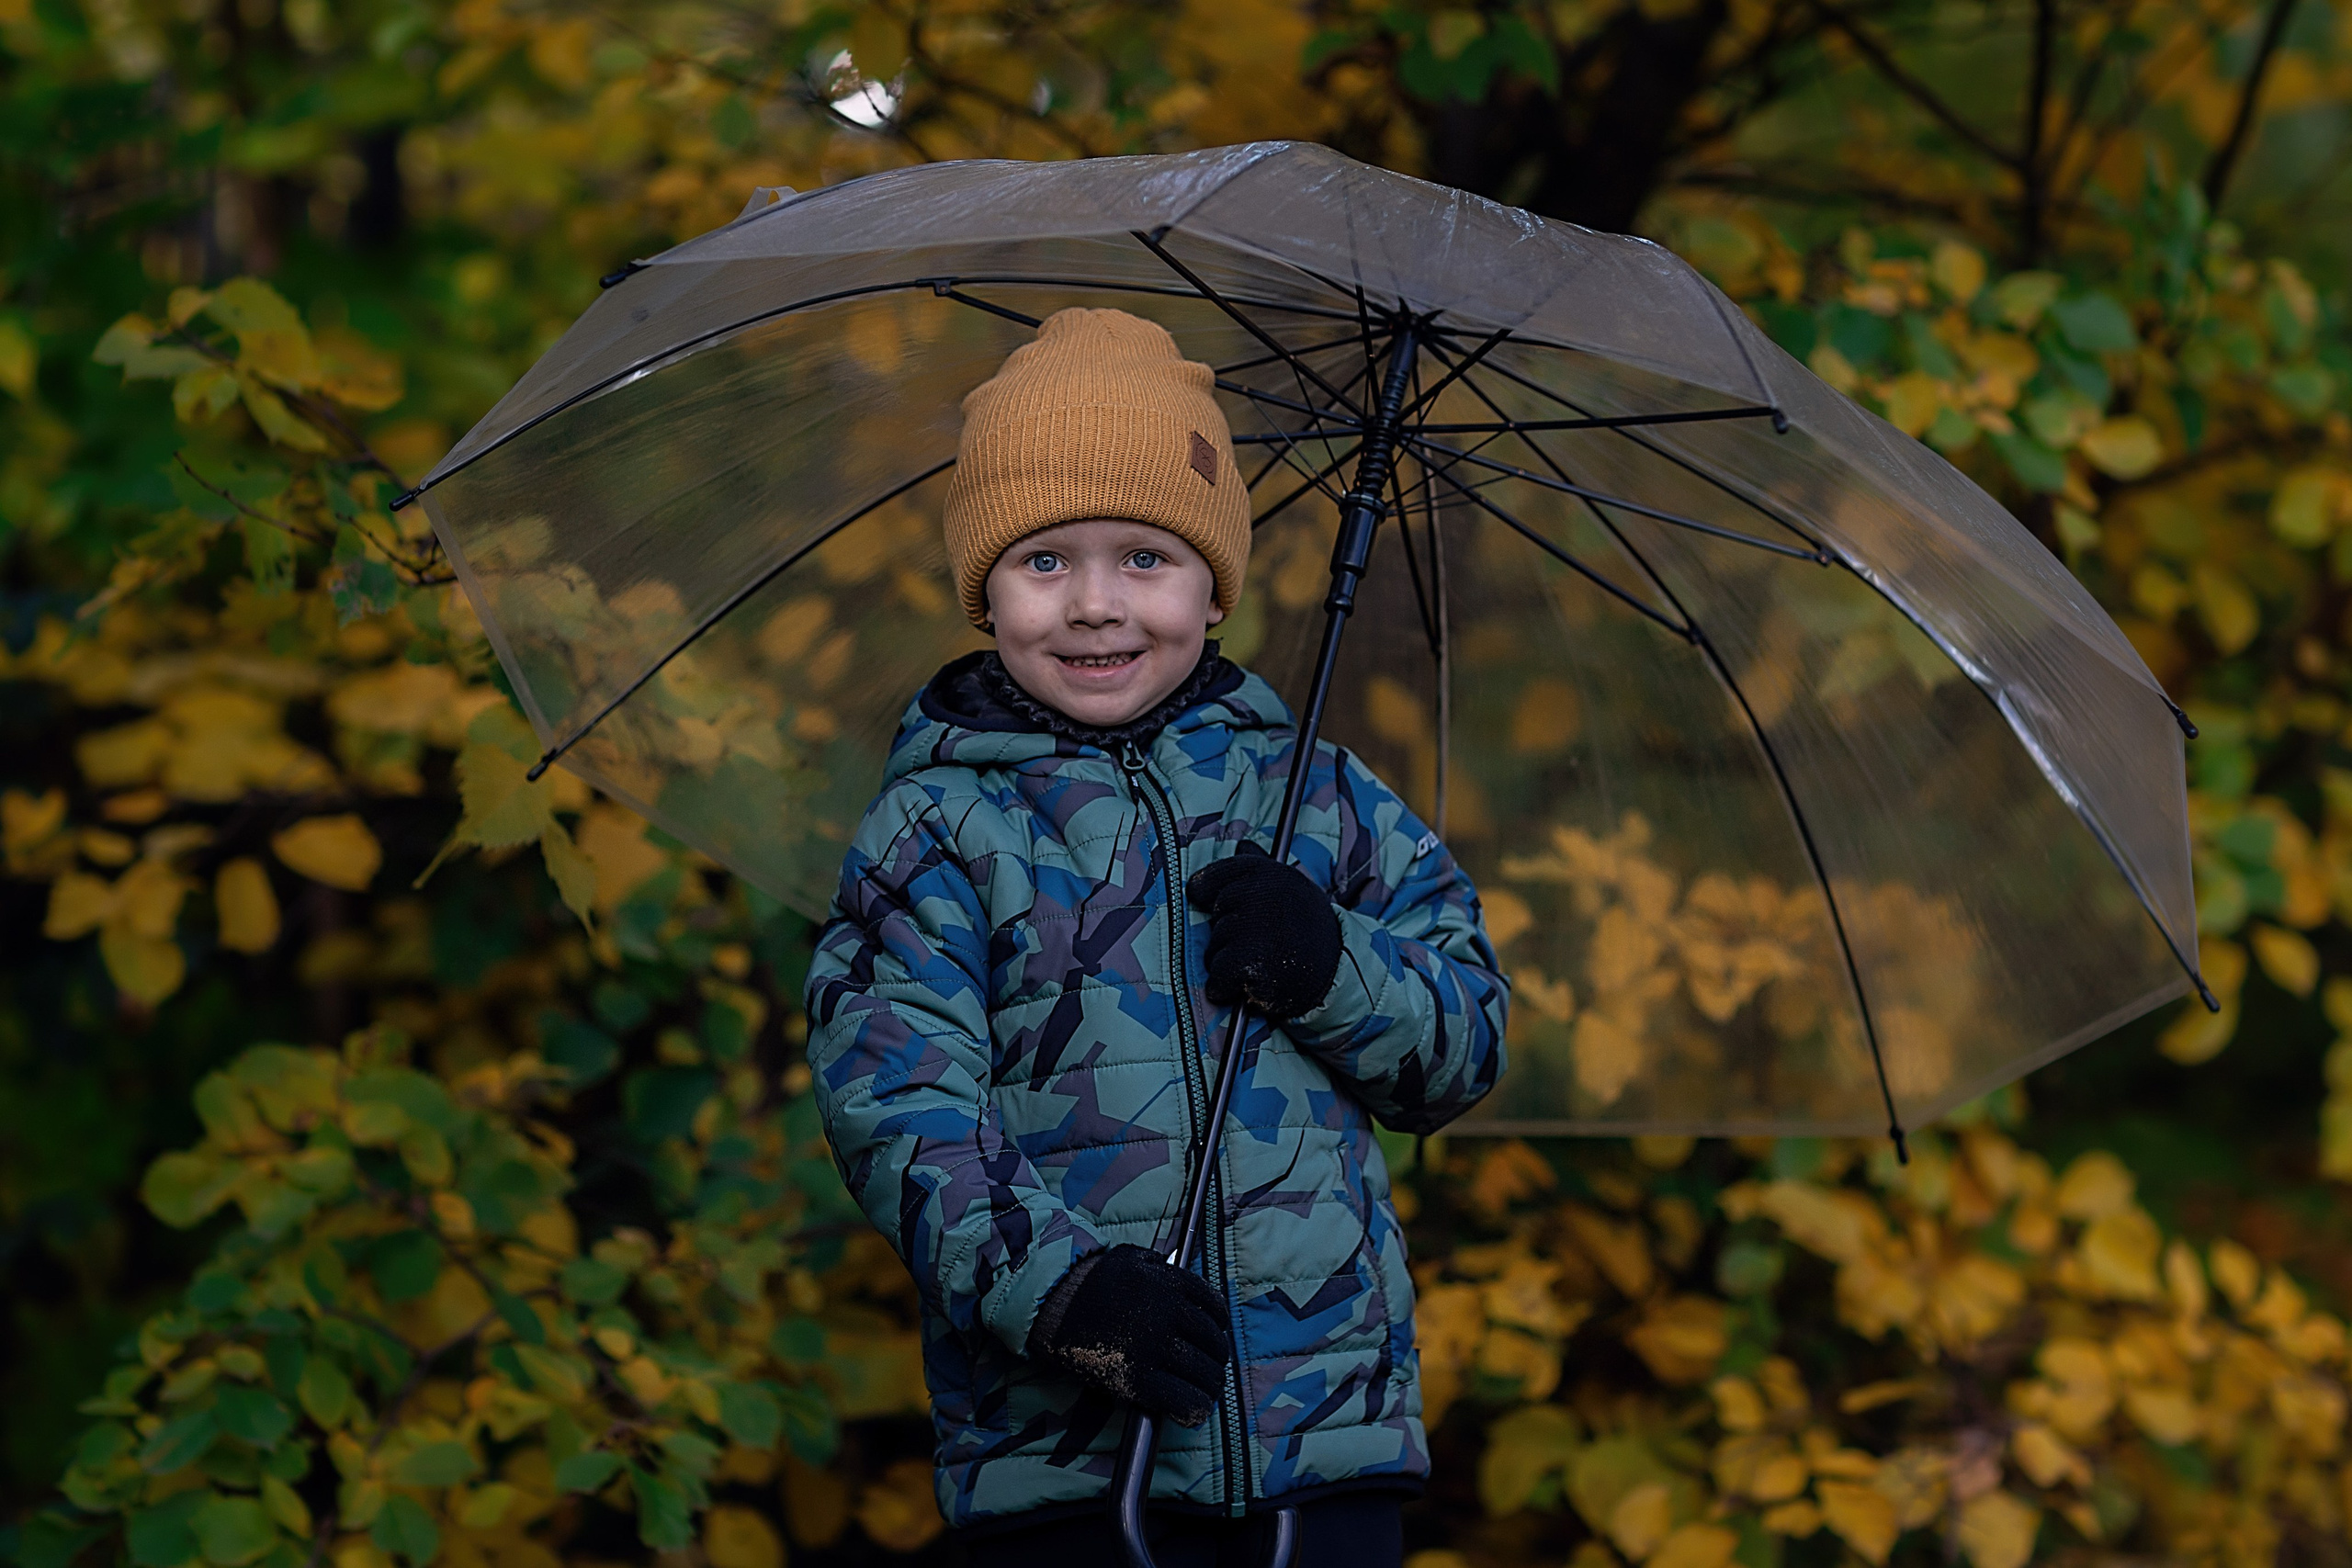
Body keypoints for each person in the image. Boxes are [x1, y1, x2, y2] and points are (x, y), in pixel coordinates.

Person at [802, 307, 1510, 1568]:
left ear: (1212, 582)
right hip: (1066, 1460)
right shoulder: (941, 827)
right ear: (984, 591)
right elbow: (895, 1108)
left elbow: (1462, 1045)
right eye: (1042, 562)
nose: (1092, 606)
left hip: (1323, 1444)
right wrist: (1062, 1294)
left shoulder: (1320, 797)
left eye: (1143, 559)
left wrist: (1331, 966)